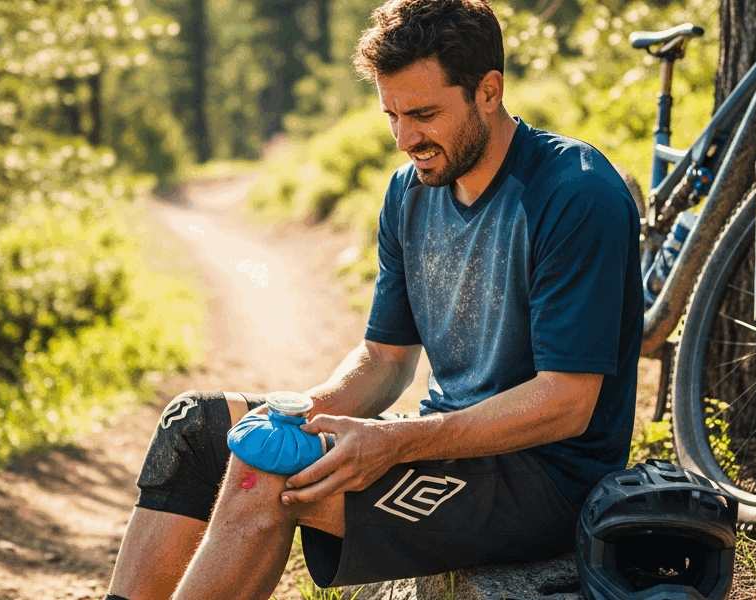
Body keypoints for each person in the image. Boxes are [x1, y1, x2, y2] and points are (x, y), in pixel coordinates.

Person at [104, 1, 643, 599]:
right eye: (391, 115)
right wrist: (300, 415)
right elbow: (385, 360)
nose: (405, 138)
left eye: (424, 114)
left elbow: (567, 404)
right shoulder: (409, 193)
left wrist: (396, 441)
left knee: (262, 473)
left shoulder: (575, 193)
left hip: (545, 479)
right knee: (199, 430)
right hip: (447, 446)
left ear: (488, 92)